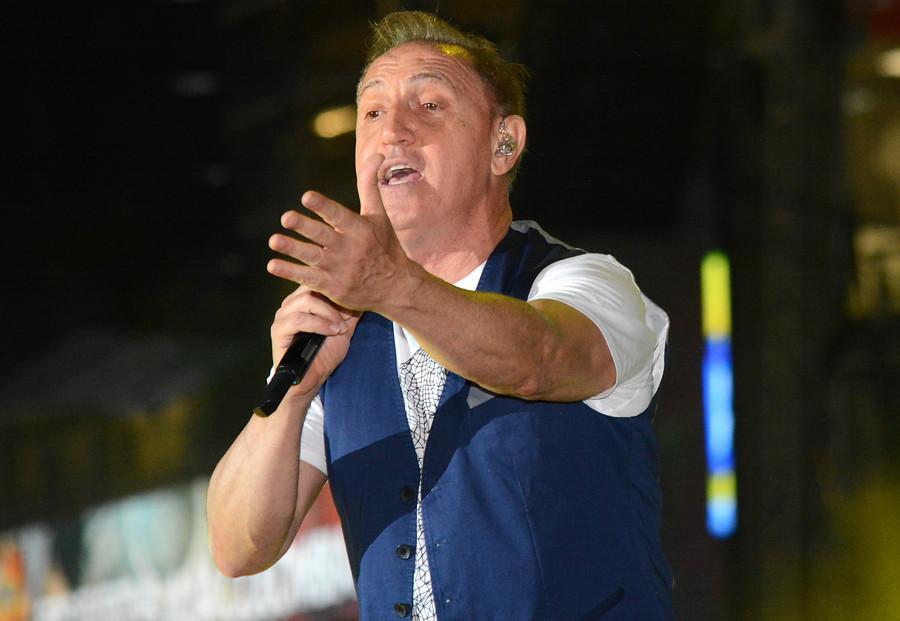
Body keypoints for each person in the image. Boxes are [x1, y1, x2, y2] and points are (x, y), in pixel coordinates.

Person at [208, 10, 673, 620]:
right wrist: (291, 393)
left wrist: (391, 285)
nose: (392, 132)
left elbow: (537, 360)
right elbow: (238, 548)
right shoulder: (343, 335)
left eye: (429, 105)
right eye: (372, 112)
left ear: (503, 144)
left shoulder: (582, 284)